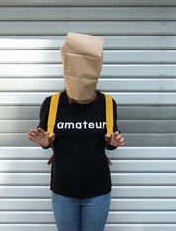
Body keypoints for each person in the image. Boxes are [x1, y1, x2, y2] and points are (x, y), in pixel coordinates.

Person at [26, 32, 125, 231]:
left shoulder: (107, 103)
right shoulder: (52, 103)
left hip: (98, 191)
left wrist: (113, 143)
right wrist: (45, 142)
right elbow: (48, 142)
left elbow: (109, 140)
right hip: (63, 191)